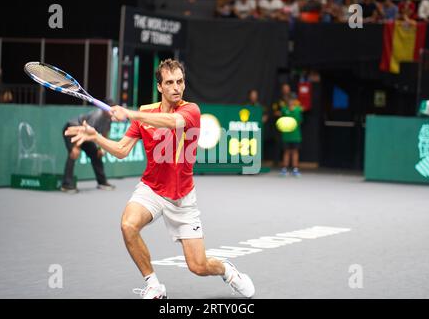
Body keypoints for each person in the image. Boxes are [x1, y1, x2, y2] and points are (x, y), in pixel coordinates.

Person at [64, 59, 255, 299]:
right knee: (128, 225)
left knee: (198, 266)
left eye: (180, 81)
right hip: (152, 189)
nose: (176, 87)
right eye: (170, 82)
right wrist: (95, 137)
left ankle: (228, 271)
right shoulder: (145, 112)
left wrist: (130, 113)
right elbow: (122, 150)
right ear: (160, 87)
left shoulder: (191, 110)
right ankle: (153, 284)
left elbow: (171, 122)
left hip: (182, 197)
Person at [61, 102, 115, 193]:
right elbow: (84, 132)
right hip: (72, 129)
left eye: (112, 110)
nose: (111, 112)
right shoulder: (96, 116)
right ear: (103, 109)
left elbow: (105, 134)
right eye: (109, 109)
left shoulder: (109, 119)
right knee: (74, 153)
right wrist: (76, 147)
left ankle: (102, 182)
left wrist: (102, 148)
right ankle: (66, 185)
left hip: (85, 135)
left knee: (96, 154)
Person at [276, 93, 303, 177]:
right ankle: (284, 169)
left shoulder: (298, 110)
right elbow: (281, 120)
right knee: (286, 151)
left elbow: (300, 121)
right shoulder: (284, 110)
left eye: (292, 99)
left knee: (295, 151)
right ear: (287, 101)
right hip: (286, 135)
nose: (291, 101)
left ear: (295, 101)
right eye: (289, 99)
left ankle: (295, 169)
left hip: (296, 135)